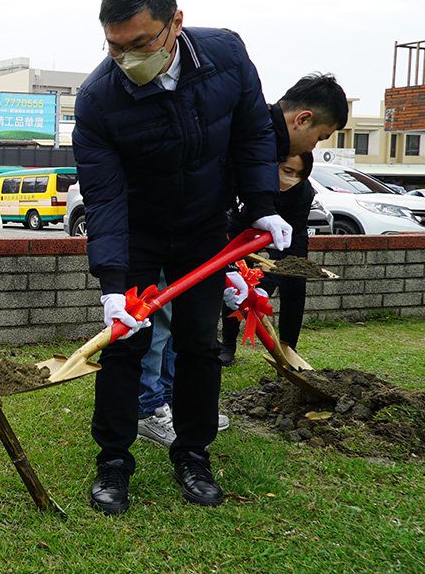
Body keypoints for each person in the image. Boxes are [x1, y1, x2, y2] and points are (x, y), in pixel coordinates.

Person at [73, 0, 291, 515]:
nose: (126, 58)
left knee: (199, 344)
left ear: (176, 24)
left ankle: (192, 454)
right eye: (114, 46)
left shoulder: (226, 55)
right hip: (141, 234)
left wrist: (262, 202)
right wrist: (114, 284)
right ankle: (114, 463)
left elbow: (252, 133)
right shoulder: (98, 99)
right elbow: (103, 197)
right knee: (126, 345)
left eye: (140, 44)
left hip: (202, 230)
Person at [136, 74, 348, 446]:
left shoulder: (262, 140)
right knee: (158, 324)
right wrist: (226, 266)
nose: (316, 144)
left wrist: (229, 270)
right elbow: (210, 197)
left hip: (194, 236)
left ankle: (169, 401)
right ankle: (148, 408)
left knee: (173, 327)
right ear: (303, 119)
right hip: (166, 231)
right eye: (321, 135)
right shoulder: (251, 133)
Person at [218, 74, 348, 363]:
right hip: (238, 236)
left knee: (294, 278)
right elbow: (226, 228)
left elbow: (292, 249)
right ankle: (228, 343)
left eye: (296, 175)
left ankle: (289, 349)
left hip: (281, 241)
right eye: (284, 171)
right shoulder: (252, 164)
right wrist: (235, 270)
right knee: (236, 283)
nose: (288, 179)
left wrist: (266, 286)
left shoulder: (301, 195)